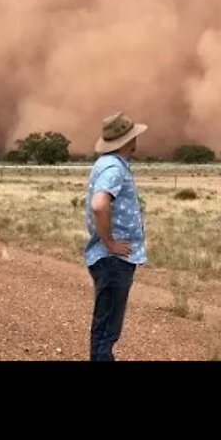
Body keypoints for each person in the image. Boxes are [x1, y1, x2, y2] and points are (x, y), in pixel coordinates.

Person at [83, 111, 148, 361]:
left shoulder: (105, 164)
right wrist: (110, 243)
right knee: (107, 332)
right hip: (113, 261)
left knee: (104, 328)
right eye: (133, 136)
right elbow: (99, 205)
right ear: (126, 141)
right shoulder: (114, 168)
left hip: (106, 260)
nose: (136, 140)